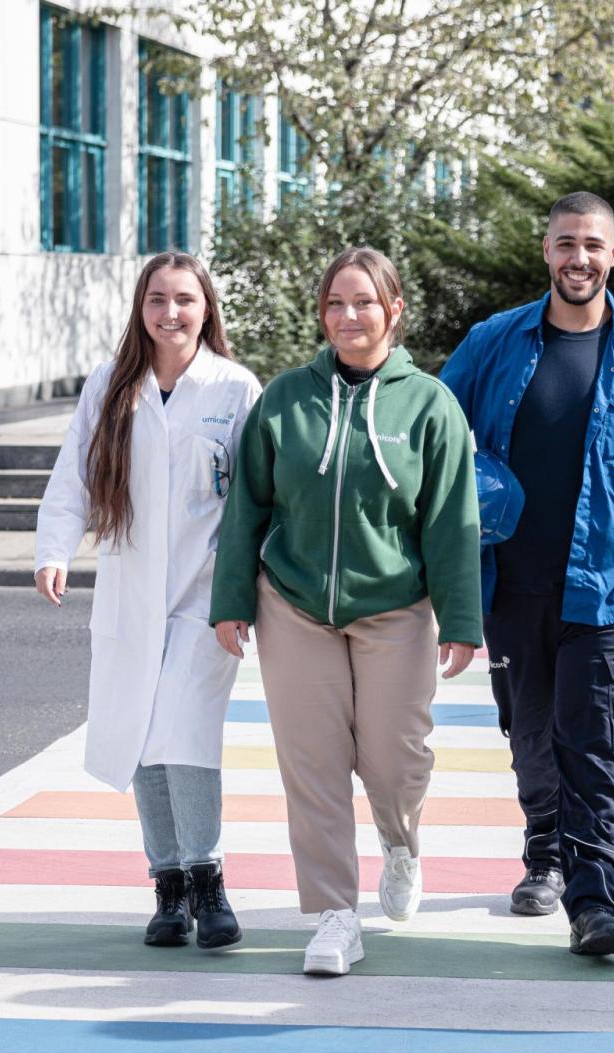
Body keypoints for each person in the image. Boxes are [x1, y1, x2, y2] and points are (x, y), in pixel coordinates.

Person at [440, 192, 614, 956]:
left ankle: (596, 903)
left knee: (597, 742)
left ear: (613, 253)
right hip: (513, 581)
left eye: (592, 245)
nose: (579, 258)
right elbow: (431, 428)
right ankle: (545, 850)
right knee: (531, 734)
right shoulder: (493, 342)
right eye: (566, 243)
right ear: (546, 250)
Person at [210, 247, 482, 977]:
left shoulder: (430, 404)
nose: (348, 315)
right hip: (294, 605)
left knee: (395, 757)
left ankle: (401, 842)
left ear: (394, 309)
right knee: (314, 764)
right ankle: (334, 914)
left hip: (396, 606)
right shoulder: (285, 399)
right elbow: (248, 505)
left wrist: (461, 618)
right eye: (335, 303)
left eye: (363, 301)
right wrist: (232, 599)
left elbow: (452, 520)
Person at [34, 251, 262, 951]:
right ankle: (168, 886)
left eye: (185, 299)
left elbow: (258, 496)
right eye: (157, 299)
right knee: (140, 735)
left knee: (184, 732)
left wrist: (250, 592)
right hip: (130, 591)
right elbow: (74, 473)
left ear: (206, 308)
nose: (171, 313)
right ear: (140, 308)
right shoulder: (110, 384)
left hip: (206, 592)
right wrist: (54, 549)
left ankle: (208, 877)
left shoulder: (234, 387)